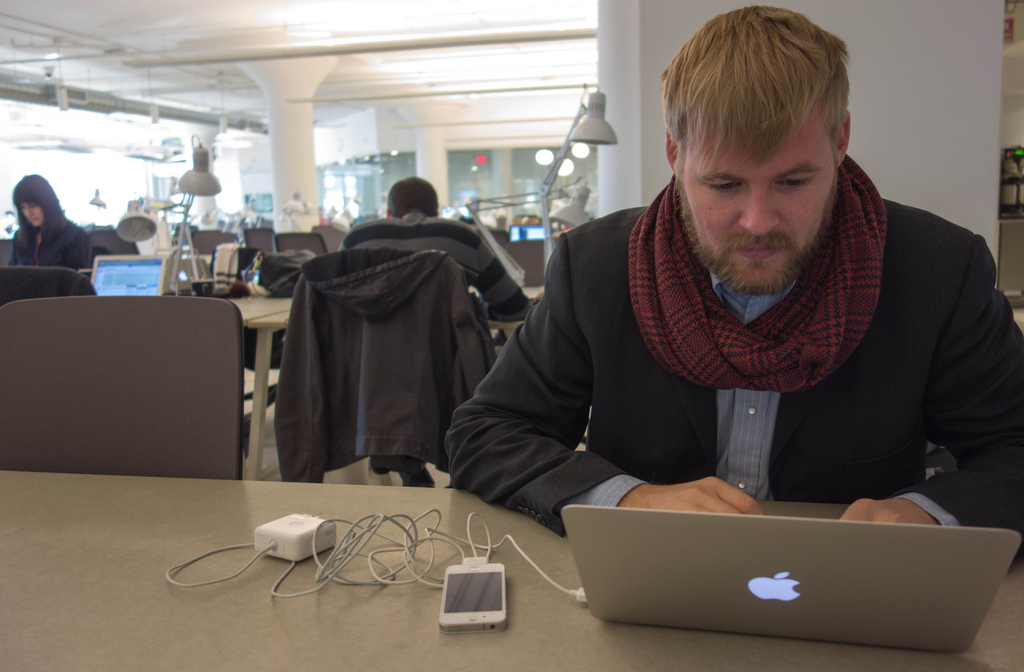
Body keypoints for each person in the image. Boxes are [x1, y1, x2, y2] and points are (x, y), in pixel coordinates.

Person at [445, 6, 1024, 541]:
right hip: (652, 602)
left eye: (793, 182)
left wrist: (929, 510)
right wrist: (628, 500)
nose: (757, 221)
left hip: (852, 605)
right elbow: (486, 432)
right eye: (724, 185)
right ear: (675, 154)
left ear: (841, 140)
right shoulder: (595, 266)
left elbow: (1013, 447)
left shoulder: (938, 271)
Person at [343, 176, 530, 322]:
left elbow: (329, 305)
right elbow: (515, 308)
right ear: (436, 215)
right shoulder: (461, 236)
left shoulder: (356, 239)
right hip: (449, 366)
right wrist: (472, 308)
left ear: (389, 214)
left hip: (367, 364)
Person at [9, 175, 91, 269]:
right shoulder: (20, 238)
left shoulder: (75, 237)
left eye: (32, 206)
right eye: (23, 207)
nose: (28, 213)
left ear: (47, 203)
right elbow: (11, 276)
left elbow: (76, 281)